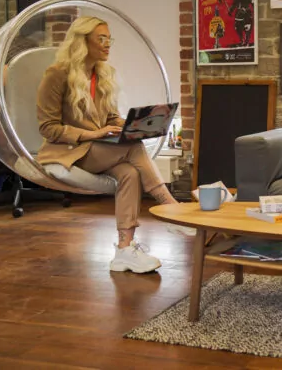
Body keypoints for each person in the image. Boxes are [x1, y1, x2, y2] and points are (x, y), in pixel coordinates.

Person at [37, 16, 180, 274]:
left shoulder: (101, 75)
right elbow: (47, 128)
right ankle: (169, 207)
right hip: (70, 152)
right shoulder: (56, 74)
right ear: (83, 42)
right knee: (134, 149)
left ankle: (124, 250)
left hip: (98, 149)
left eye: (108, 38)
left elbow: (110, 118)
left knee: (129, 172)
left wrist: (133, 126)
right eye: (100, 39)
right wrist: (93, 135)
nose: (107, 44)